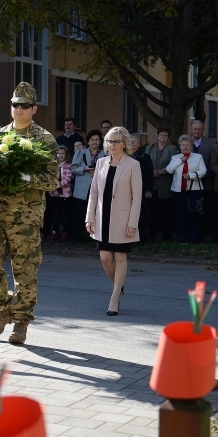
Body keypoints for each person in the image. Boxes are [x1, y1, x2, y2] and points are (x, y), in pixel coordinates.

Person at [0, 82, 59, 345]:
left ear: (34, 109)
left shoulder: (44, 140)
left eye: (25, 106)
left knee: (24, 270)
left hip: (25, 217)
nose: (19, 109)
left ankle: (21, 323)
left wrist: (26, 176)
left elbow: (52, 180)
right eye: (15, 104)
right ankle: (4, 309)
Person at [85, 126, 141, 317]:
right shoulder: (100, 163)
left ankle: (114, 297)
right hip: (102, 217)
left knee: (120, 257)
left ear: (124, 144)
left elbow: (137, 197)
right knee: (105, 258)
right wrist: (89, 217)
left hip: (123, 219)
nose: (112, 145)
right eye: (109, 141)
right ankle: (117, 286)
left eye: (116, 141)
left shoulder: (133, 165)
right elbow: (93, 193)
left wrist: (133, 223)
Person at [165, 135, 207, 243]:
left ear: (191, 146)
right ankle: (182, 237)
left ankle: (194, 237)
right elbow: (169, 170)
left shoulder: (198, 157)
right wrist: (180, 160)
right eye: (183, 145)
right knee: (181, 213)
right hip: (179, 191)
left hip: (194, 190)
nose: (185, 147)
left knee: (194, 214)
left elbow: (203, 171)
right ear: (179, 146)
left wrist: (191, 176)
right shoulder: (175, 158)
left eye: (187, 145)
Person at [145, 127, 178, 241]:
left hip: (165, 183)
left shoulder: (172, 148)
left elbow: (174, 164)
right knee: (152, 211)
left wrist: (158, 172)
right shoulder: (150, 148)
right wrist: (151, 173)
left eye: (166, 135)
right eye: (161, 134)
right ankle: (152, 234)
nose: (163, 137)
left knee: (166, 211)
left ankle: (166, 235)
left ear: (168, 137)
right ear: (157, 136)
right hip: (152, 184)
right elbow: (146, 163)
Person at [71, 129, 104, 244]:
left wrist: (97, 172)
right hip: (82, 189)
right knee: (79, 213)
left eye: (96, 140)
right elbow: (73, 168)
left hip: (98, 187)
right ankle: (77, 237)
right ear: (88, 142)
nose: (94, 142)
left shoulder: (105, 154)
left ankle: (95, 238)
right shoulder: (80, 153)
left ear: (100, 141)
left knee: (97, 213)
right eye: (92, 140)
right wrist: (85, 169)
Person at [190, 120, 216, 241]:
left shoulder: (210, 143)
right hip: (189, 183)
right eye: (195, 129)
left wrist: (204, 173)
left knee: (205, 209)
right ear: (191, 130)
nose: (197, 131)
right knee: (190, 209)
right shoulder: (185, 142)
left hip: (205, 182)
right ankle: (191, 234)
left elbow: (213, 162)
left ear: (203, 130)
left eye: (199, 129)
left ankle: (203, 234)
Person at [129, 134, 154, 243]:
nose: (133, 143)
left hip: (141, 189)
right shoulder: (122, 156)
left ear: (139, 143)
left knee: (141, 214)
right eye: (130, 141)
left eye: (135, 141)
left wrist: (149, 190)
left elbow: (150, 176)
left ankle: (141, 238)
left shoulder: (145, 157)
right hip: (125, 190)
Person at [47, 146, 73, 241]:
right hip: (54, 194)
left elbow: (67, 180)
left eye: (63, 153)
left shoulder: (68, 166)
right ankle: (55, 232)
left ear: (66, 155)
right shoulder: (52, 165)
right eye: (59, 153)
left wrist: (55, 187)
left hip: (64, 195)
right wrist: (53, 190)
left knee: (65, 214)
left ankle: (66, 233)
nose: (60, 155)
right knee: (55, 214)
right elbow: (49, 178)